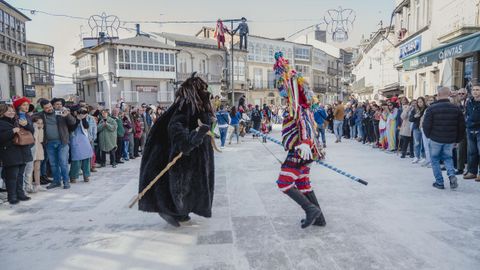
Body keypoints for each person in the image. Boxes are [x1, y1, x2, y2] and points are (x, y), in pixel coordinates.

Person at [138, 74, 215, 227]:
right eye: (203, 89)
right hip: (186, 157)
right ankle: (173, 211)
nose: (207, 92)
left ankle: (180, 212)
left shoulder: (195, 105)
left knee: (189, 187)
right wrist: (191, 139)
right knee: (182, 186)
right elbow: (176, 128)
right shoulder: (186, 105)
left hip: (194, 155)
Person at [273, 52, 325, 228]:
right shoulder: (301, 107)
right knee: (303, 183)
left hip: (301, 151)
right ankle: (319, 218)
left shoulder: (299, 108)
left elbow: (305, 126)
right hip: (305, 151)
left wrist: (304, 142)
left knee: (283, 183)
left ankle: (310, 210)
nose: (282, 92)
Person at [423, 87, 465, 189]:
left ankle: (439, 182)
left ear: (438, 95)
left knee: (435, 160)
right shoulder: (456, 108)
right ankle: (451, 176)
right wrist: (457, 140)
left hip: (435, 138)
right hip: (450, 139)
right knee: (448, 158)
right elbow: (462, 126)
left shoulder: (432, 108)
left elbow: (426, 125)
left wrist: (429, 136)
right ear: (449, 94)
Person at [36, 98, 76, 189]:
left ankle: (66, 181)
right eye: (46, 108)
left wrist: (68, 115)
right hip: (49, 143)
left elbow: (73, 122)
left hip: (62, 142)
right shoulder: (40, 115)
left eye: (50, 106)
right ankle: (56, 181)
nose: (49, 108)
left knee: (63, 162)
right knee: (53, 164)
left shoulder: (59, 112)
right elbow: (31, 118)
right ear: (42, 108)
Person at [0, 104, 33, 204]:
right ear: (2, 112)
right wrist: (12, 131)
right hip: (9, 152)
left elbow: (31, 131)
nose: (12, 112)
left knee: (20, 175)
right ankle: (12, 196)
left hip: (22, 151)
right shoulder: (1, 123)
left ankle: (20, 193)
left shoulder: (18, 120)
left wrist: (26, 125)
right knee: (12, 176)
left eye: (12, 111)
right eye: (8, 111)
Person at [69, 106, 93, 183]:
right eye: (79, 111)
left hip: (84, 140)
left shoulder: (84, 118)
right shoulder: (70, 117)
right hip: (75, 139)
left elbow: (86, 126)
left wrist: (83, 118)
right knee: (76, 159)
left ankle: (86, 175)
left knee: (86, 158)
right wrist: (78, 119)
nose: (80, 113)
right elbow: (72, 128)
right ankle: (73, 176)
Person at [464, 84, 480, 181]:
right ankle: (472, 172)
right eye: (474, 90)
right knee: (472, 152)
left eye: (477, 90)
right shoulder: (469, 102)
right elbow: (467, 114)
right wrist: (468, 123)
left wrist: (474, 122)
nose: (475, 91)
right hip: (470, 129)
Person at [30, 116, 46, 192]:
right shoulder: (31, 129)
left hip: (39, 149)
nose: (39, 124)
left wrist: (41, 129)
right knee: (30, 169)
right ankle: (29, 185)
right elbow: (34, 138)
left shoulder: (40, 129)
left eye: (41, 123)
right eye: (38, 123)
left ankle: (37, 185)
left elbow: (40, 139)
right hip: (32, 149)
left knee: (37, 168)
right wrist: (35, 128)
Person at [410, 97, 427, 163]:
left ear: (423, 102)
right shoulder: (414, 109)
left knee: (423, 143)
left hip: (424, 128)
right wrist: (415, 116)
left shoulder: (426, 109)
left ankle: (423, 156)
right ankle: (417, 156)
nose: (419, 103)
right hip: (416, 128)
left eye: (421, 102)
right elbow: (410, 119)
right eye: (418, 102)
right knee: (417, 143)